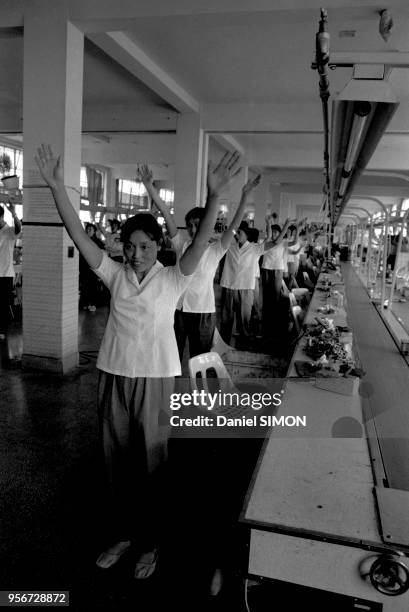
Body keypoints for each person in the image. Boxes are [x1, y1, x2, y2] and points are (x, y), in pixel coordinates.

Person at [35, 144, 241, 580]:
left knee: (153, 462)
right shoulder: (114, 274)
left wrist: (216, 197)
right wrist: (56, 187)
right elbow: (78, 235)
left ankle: (152, 542)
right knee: (117, 461)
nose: (134, 254)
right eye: (129, 246)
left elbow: (203, 240)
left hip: (156, 380)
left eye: (144, 246)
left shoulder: (173, 278)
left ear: (159, 246)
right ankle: (126, 533)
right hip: (113, 375)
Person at [138, 162, 260, 359]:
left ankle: (199, 390)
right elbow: (167, 215)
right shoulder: (182, 245)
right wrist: (150, 188)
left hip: (203, 312)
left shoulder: (216, 249)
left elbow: (235, 224)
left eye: (197, 224)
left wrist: (245, 195)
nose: (193, 230)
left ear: (207, 225)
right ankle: (171, 388)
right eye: (189, 226)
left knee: (201, 359)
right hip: (177, 309)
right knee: (172, 356)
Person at [219, 217, 287, 346]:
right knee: (226, 320)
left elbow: (276, 242)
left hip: (245, 289)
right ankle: (224, 346)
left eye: (240, 232)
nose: (236, 235)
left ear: (246, 234)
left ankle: (243, 345)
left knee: (244, 320)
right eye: (236, 232)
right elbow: (221, 237)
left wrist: (285, 225)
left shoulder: (254, 249)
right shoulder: (229, 247)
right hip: (228, 287)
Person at [0, 198, 21, 340]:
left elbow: (19, 228)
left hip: (5, 273)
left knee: (2, 304)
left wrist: (14, 214)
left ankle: (2, 330)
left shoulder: (9, 232)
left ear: (1, 217)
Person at [79, 223, 104, 311]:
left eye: (90, 229)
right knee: (84, 286)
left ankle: (93, 304)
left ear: (94, 231)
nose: (88, 231)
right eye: (87, 229)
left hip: (93, 268)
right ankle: (85, 303)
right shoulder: (82, 241)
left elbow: (101, 255)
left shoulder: (98, 242)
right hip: (83, 267)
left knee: (93, 286)